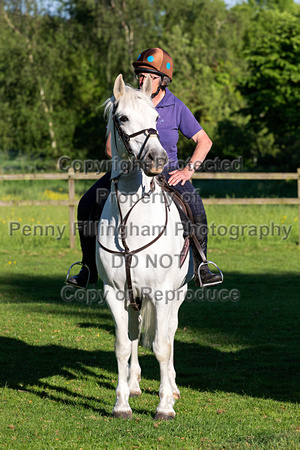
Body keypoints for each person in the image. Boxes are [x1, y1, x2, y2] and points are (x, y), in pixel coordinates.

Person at [67, 47, 222, 288]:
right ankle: (88, 266)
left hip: (168, 172)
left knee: (195, 206)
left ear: (163, 80)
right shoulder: (128, 102)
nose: (143, 79)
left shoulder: (175, 106)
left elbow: (205, 141)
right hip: (128, 170)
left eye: (151, 75)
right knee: (87, 203)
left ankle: (202, 265)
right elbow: (109, 149)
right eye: (140, 74)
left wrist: (188, 170)